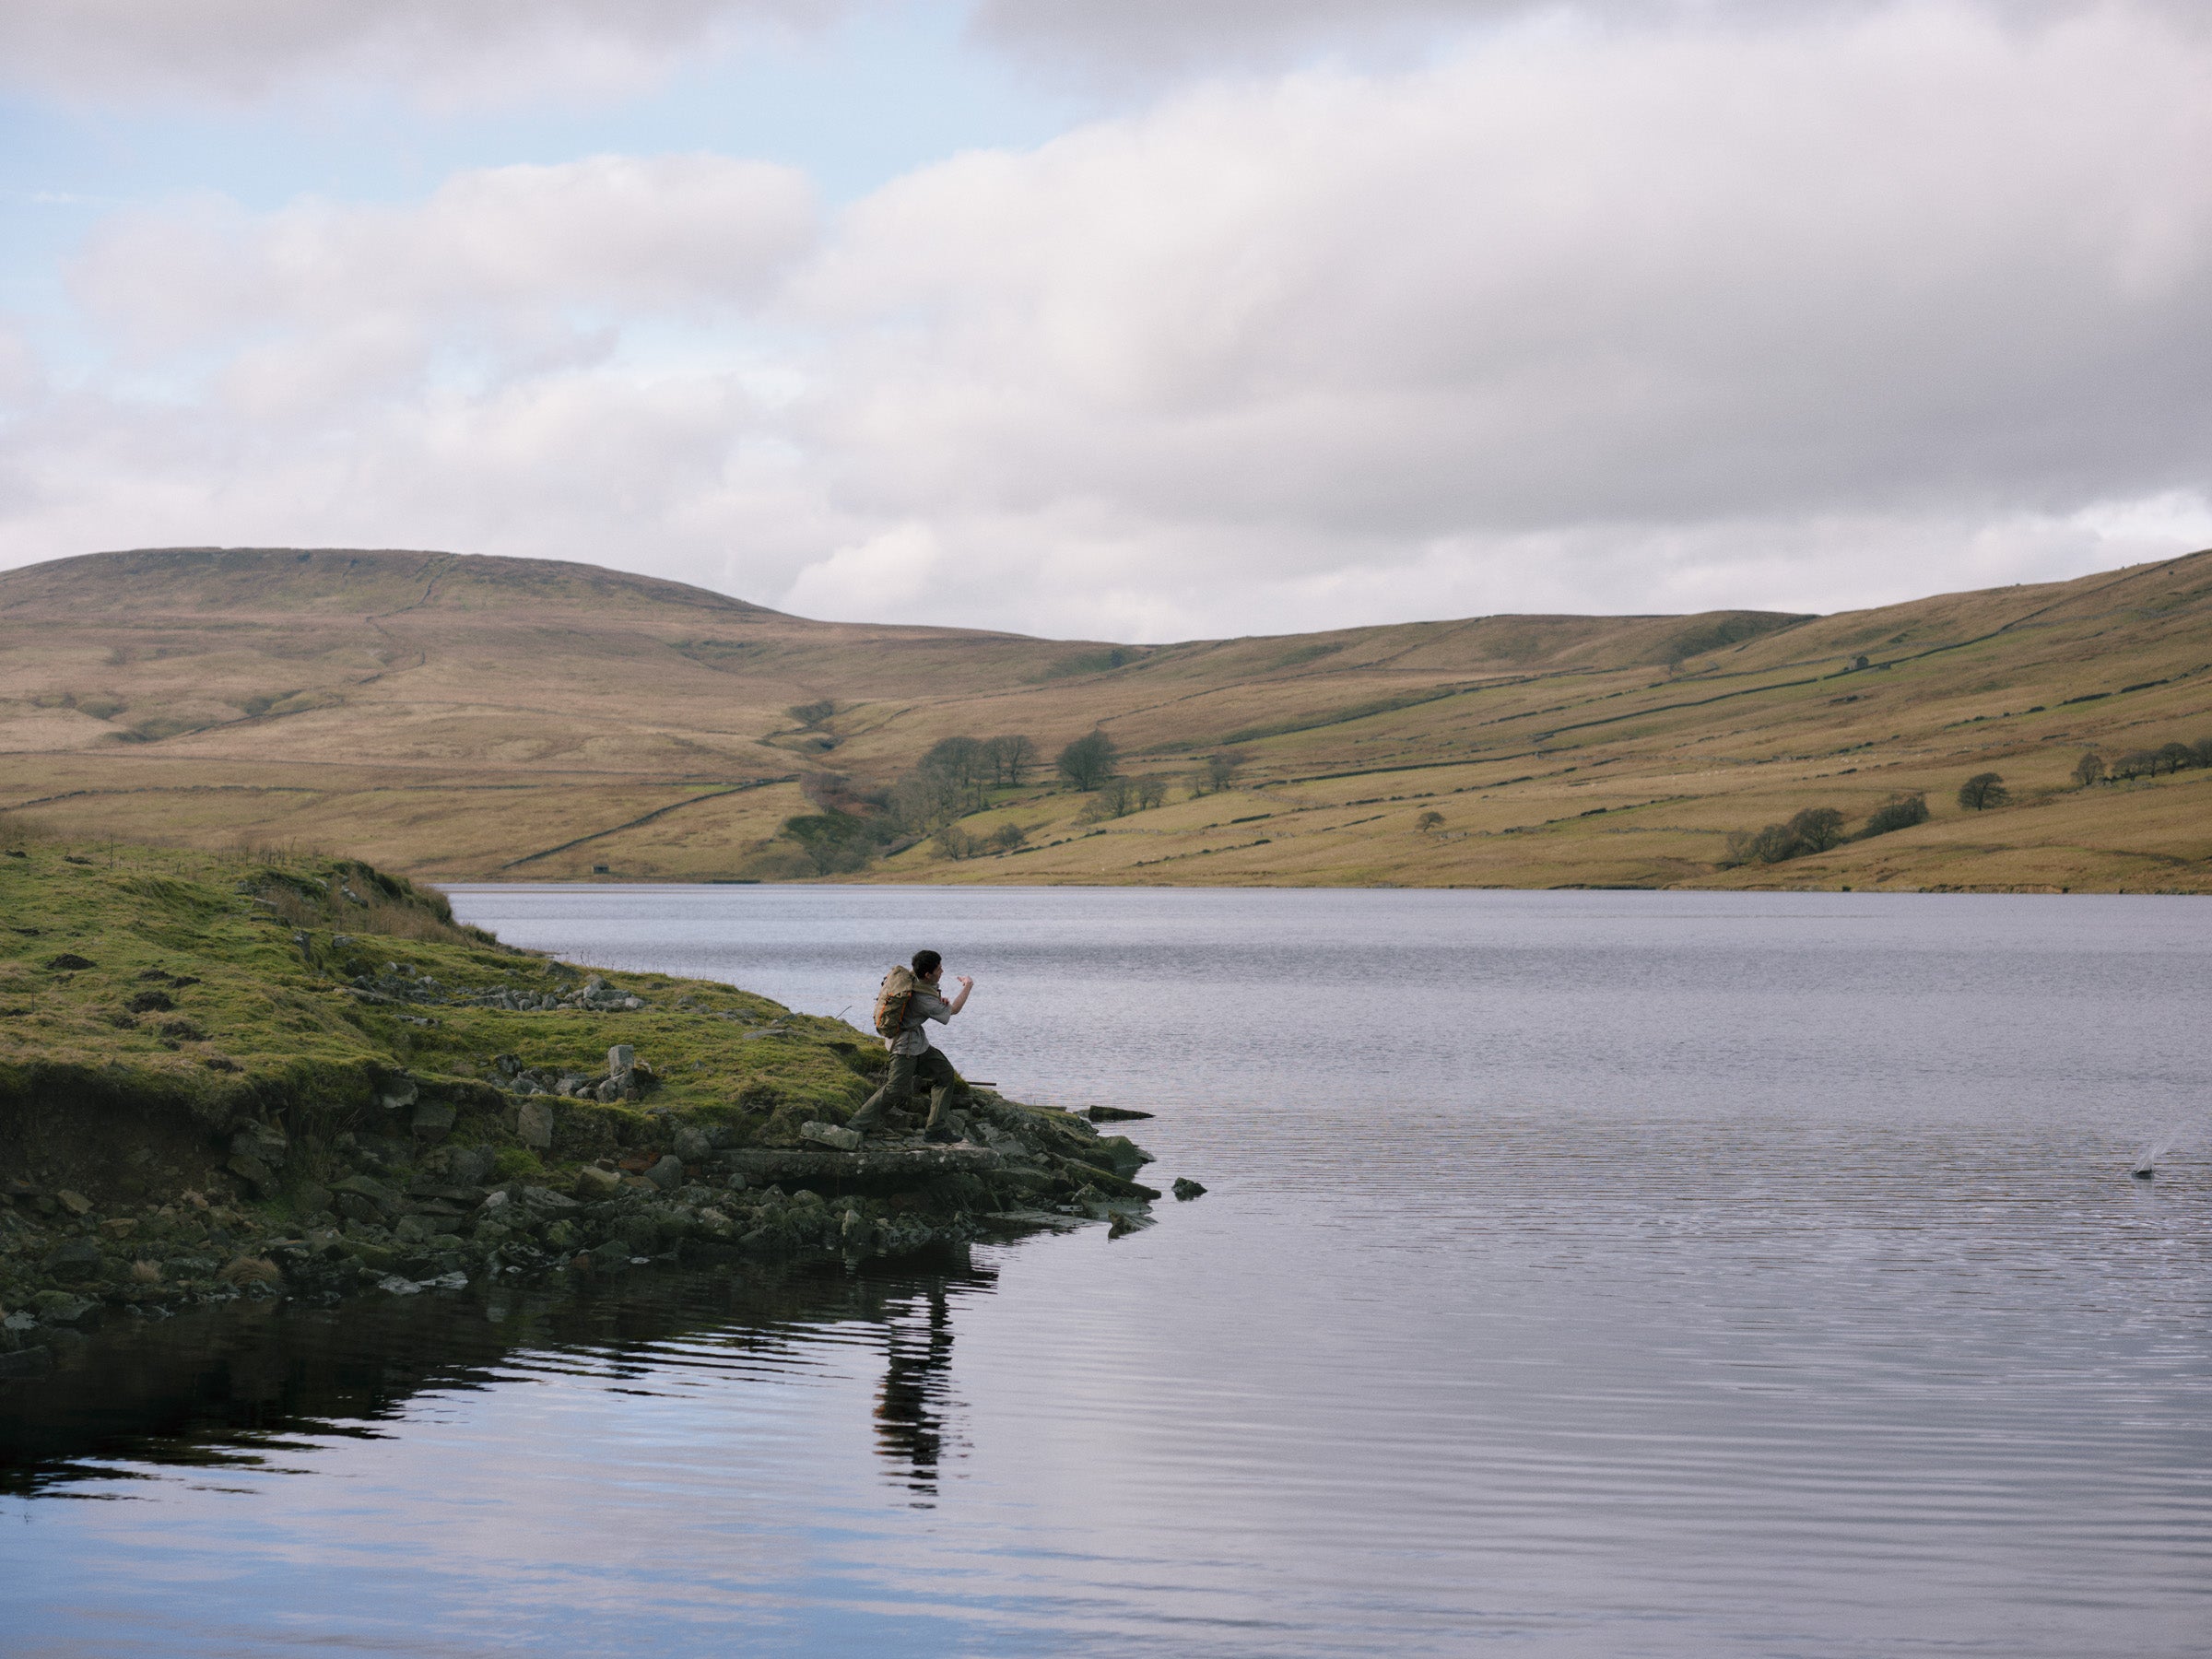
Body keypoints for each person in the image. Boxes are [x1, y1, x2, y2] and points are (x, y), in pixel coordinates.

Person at [849, 949, 973, 1142]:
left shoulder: (911, 978)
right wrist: (968, 986)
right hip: (905, 1047)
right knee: (895, 1089)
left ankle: (935, 1130)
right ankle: (856, 1125)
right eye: (939, 969)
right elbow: (954, 1010)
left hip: (917, 1043)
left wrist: (938, 998)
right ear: (927, 974)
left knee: (945, 1074)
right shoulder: (923, 999)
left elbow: (930, 995)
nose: (942, 971)